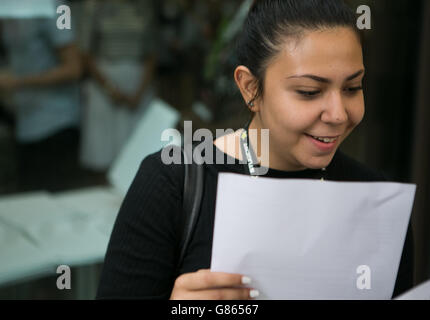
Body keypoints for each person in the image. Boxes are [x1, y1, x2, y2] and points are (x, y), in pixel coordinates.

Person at [97, 0, 414, 300]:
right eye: (309, 92)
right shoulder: (173, 186)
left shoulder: (378, 206)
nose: (338, 114)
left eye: (352, 88)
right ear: (250, 87)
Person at [0, 0, 82, 192]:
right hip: (24, 121)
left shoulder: (58, 8)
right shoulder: (10, 8)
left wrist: (18, 82)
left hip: (56, 121)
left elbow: (74, 68)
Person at [78, 0, 158, 171]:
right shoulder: (94, 6)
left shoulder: (144, 6)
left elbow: (152, 51)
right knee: (103, 152)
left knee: (139, 153)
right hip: (104, 83)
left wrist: (139, 93)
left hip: (138, 83)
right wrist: (110, 89)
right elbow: (85, 53)